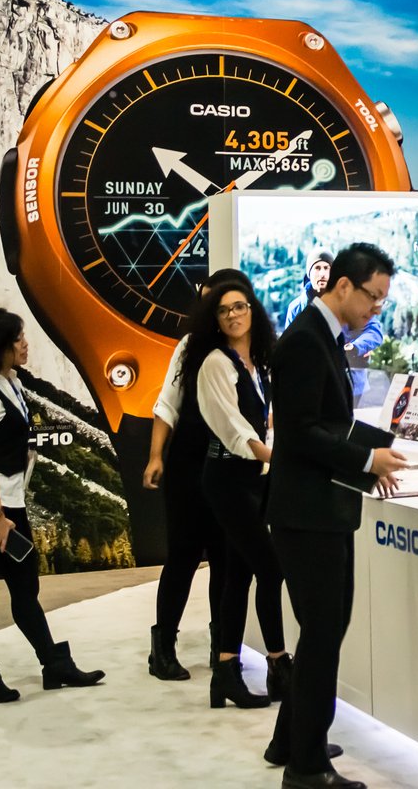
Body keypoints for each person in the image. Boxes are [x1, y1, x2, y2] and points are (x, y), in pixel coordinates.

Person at [265, 243, 411, 789]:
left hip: (321, 508)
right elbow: (300, 431)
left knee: (324, 629)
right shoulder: (305, 340)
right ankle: (306, 768)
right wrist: (365, 458)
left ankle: (291, 738)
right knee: (324, 632)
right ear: (343, 287)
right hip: (308, 514)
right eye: (373, 296)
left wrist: (367, 465)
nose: (377, 308)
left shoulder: (318, 335)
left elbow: (321, 425)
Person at [0, 309, 105, 702]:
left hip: (10, 506)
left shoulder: (11, 382)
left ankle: (54, 663)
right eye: (17, 339)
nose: (25, 344)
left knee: (25, 589)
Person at [178, 278, 287, 710]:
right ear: (216, 320)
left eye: (240, 307)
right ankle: (278, 663)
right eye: (225, 311)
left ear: (252, 311)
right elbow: (231, 426)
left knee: (239, 575)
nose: (234, 315)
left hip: (251, 478)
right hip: (226, 477)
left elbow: (264, 417)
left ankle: (226, 670)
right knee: (271, 567)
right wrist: (269, 454)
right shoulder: (214, 365)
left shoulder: (259, 362)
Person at [143, 267, 249, 682]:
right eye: (212, 303)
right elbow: (167, 402)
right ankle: (162, 647)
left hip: (234, 466)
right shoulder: (191, 345)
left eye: (231, 303)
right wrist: (156, 455)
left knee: (227, 559)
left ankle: (222, 648)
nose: (224, 312)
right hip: (190, 464)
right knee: (183, 557)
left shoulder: (254, 349)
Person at [283, 250, 333, 330]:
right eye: (317, 268)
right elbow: (289, 341)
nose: (322, 274)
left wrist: (354, 343)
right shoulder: (296, 308)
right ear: (309, 274)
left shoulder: (342, 305)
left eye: (326, 268)